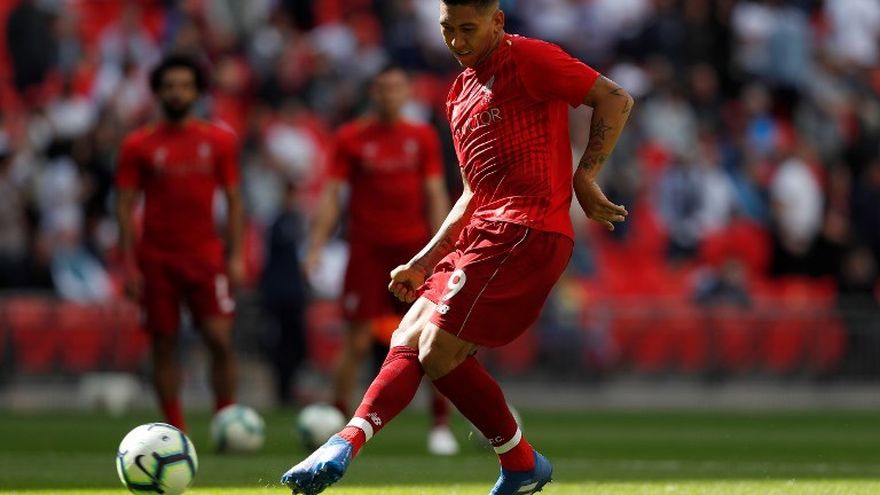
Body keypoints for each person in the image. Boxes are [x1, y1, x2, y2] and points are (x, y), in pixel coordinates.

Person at [280, 0, 633, 493]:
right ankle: (348, 441)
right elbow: (471, 194)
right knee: (407, 335)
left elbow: (615, 98)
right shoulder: (458, 95)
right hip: (483, 231)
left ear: (497, 21)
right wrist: (424, 261)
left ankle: (517, 462)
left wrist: (585, 175)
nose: (457, 42)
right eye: (448, 29)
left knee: (438, 350)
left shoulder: (529, 58)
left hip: (527, 228)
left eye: (469, 29)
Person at [304, 64, 457, 455]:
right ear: (373, 93)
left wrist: (444, 246)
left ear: (406, 93)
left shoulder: (421, 137)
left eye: (396, 88)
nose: (389, 95)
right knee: (355, 342)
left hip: (414, 252)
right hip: (367, 253)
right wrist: (317, 245)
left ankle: (440, 426)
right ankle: (337, 425)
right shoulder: (351, 137)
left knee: (432, 337)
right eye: (383, 88)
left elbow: (434, 192)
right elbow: (332, 195)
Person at [116, 54, 245, 432]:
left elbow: (235, 201)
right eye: (170, 86)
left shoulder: (218, 141)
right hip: (156, 257)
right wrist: (129, 265)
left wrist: (236, 255)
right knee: (164, 342)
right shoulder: (138, 144)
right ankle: (176, 427)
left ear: (197, 92)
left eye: (185, 86)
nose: (177, 93)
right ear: (158, 92)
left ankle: (225, 419)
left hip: (205, 255)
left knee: (219, 339)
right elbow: (124, 206)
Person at [260, 181, 310, 407]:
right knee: (281, 344)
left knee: (296, 344)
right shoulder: (279, 224)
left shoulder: (297, 223)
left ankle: (288, 386)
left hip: (294, 294)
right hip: (279, 294)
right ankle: (283, 390)